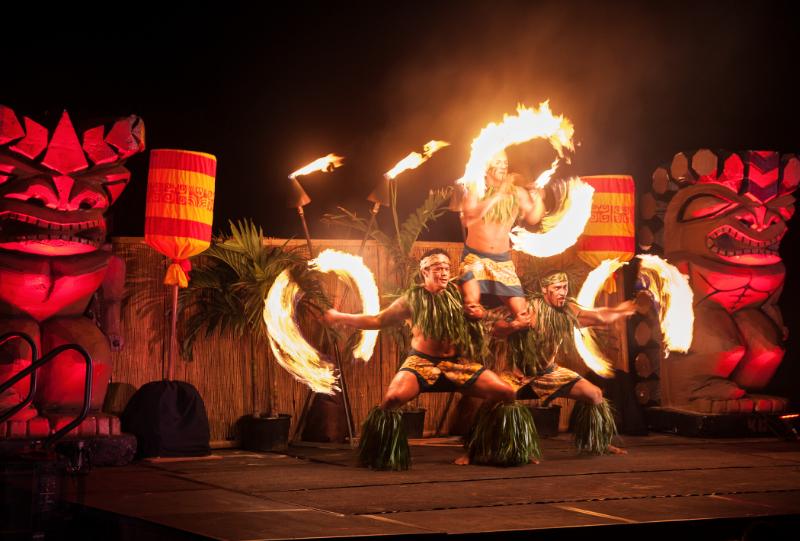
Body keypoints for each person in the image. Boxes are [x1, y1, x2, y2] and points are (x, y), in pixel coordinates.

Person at [324, 248, 540, 469]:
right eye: (438, 268)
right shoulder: (412, 300)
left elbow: (488, 312)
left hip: (458, 363)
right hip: (422, 362)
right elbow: (378, 320)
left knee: (505, 392)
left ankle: (482, 449)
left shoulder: (459, 296)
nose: (444, 273)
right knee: (391, 399)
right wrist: (341, 317)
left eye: (447, 268)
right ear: (425, 271)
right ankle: (378, 455)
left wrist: (509, 321)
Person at [498, 269, 637, 455]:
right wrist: (513, 326)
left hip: (549, 373)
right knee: (493, 401)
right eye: (557, 288)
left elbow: (598, 316)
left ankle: (598, 442)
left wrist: (622, 310)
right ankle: (488, 449)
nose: (563, 292)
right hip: (519, 374)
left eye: (565, 287)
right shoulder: (529, 308)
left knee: (594, 394)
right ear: (545, 289)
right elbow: (496, 327)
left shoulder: (567, 310)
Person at [458, 150, 545, 328]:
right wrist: (497, 196)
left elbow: (534, 217)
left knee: (524, 317)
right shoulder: (475, 190)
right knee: (472, 307)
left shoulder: (517, 193)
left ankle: (507, 330)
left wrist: (537, 199)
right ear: (485, 167)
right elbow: (469, 217)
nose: (503, 165)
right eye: (497, 161)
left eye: (505, 162)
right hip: (475, 259)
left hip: (502, 262)